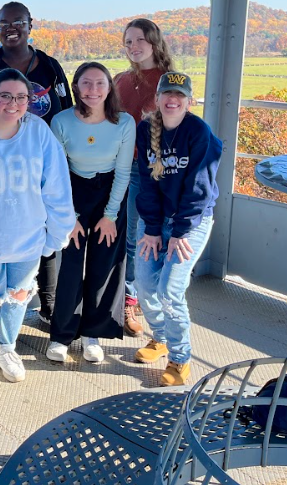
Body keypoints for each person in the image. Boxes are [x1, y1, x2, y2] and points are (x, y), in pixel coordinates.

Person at [0, 1, 72, 331]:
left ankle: (44, 313)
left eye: (18, 21)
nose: (11, 27)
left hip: (37, 171)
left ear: (30, 24)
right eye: (3, 22)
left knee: (35, 261)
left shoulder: (50, 67)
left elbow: (65, 112)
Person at [0, 68, 75, 384]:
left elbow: (57, 186)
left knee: (18, 295)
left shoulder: (38, 132)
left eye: (21, 97)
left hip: (28, 236)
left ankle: (6, 347)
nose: (13, 103)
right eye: (5, 95)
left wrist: (56, 235)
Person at [133, 72, 222, 387]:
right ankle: (159, 337)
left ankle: (180, 358)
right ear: (157, 100)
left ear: (190, 101)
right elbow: (147, 183)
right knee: (144, 285)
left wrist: (180, 232)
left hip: (190, 222)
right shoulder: (146, 131)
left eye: (180, 95)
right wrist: (154, 229)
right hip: (155, 221)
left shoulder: (200, 134)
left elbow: (198, 191)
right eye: (167, 94)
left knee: (169, 290)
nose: (173, 100)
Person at [47, 63, 135, 364]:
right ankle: (61, 335)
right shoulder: (61, 121)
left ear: (109, 87)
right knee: (70, 264)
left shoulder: (124, 122)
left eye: (100, 83)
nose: (93, 90)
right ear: (75, 87)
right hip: (71, 191)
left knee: (105, 264)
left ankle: (92, 335)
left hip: (110, 192)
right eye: (86, 83)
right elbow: (57, 172)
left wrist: (109, 215)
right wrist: (69, 216)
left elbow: (124, 172)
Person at [113, 18, 174, 337]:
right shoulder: (120, 79)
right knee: (114, 235)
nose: (134, 47)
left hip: (147, 172)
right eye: (128, 42)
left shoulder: (168, 81)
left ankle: (131, 301)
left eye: (140, 40)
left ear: (154, 42)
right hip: (114, 168)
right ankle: (112, 297)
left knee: (137, 239)